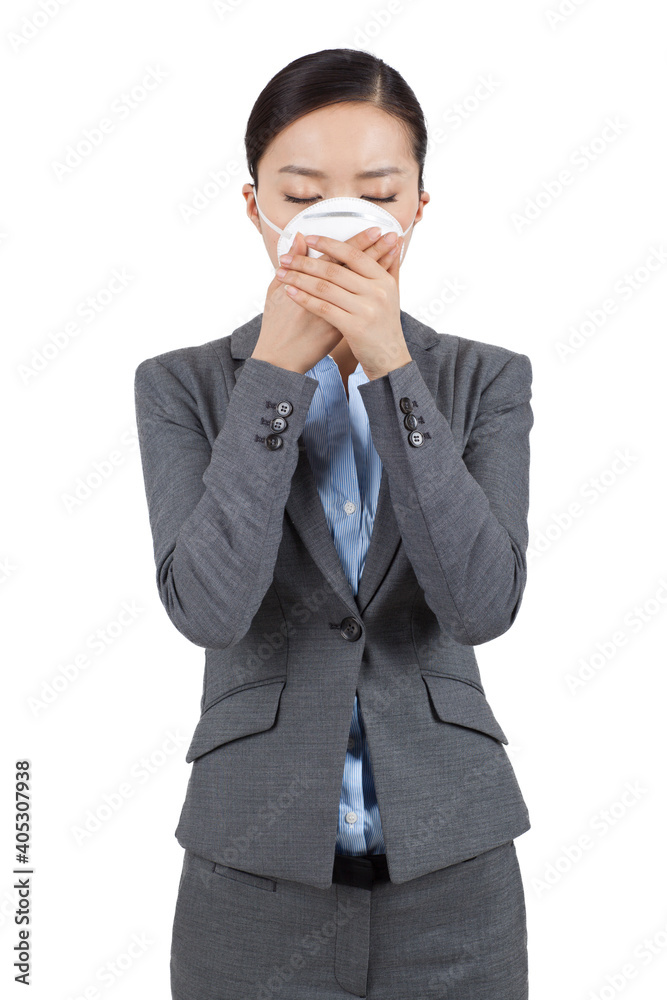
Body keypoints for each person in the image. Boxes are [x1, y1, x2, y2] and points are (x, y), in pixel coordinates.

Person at [134, 47, 533, 1000]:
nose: (341, 222)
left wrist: (393, 368)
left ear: (418, 207)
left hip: (454, 870)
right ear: (256, 207)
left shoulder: (484, 379)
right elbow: (208, 610)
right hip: (251, 873)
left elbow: (480, 605)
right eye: (305, 195)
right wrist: (274, 378)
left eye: (377, 194)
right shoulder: (183, 385)